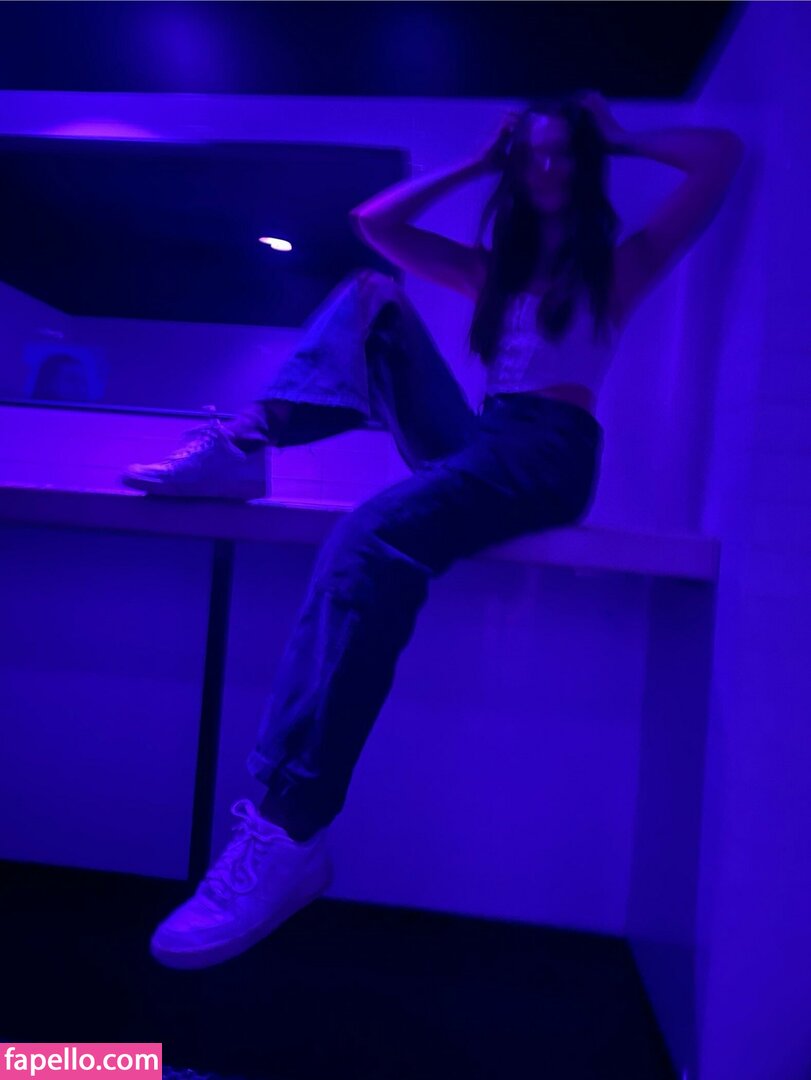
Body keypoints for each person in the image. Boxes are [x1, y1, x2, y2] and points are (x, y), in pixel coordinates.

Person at [132, 92, 744, 969]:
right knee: (370, 295)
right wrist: (479, 159)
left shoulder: (618, 267)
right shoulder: (494, 276)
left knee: (369, 538)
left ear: (583, 167)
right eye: (532, 155)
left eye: (562, 155)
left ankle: (290, 826)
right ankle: (245, 444)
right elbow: (373, 223)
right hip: (482, 439)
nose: (547, 169)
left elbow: (717, 155)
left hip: (546, 452)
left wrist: (615, 137)